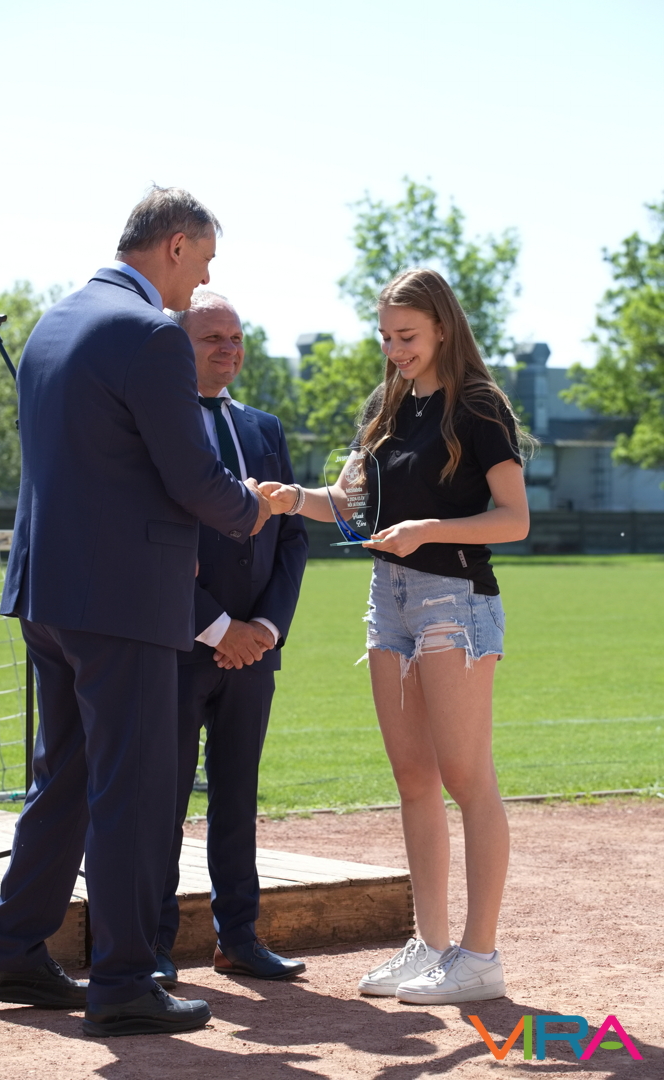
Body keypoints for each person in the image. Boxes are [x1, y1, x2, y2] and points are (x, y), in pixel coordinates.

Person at [0, 187, 274, 1038]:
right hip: (125, 601)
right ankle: (125, 981)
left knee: (64, 780)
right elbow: (193, 477)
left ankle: (13, 952)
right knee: (132, 794)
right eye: (203, 262)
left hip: (49, 593)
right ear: (174, 245)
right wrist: (261, 508)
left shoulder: (54, 321)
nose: (200, 281)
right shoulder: (150, 334)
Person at [260, 268, 531, 1006]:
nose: (394, 349)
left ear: (442, 326)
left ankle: (480, 957)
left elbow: (513, 519)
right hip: (389, 601)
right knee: (413, 778)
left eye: (406, 335)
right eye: (385, 337)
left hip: (454, 600)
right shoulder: (384, 408)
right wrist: (291, 499)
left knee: (467, 779)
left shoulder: (479, 407)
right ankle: (431, 946)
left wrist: (426, 530)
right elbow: (347, 505)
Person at [152, 293, 308, 986]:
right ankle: (153, 947)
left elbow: (292, 537)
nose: (229, 348)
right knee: (163, 800)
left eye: (237, 337)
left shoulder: (264, 428)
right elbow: (154, 543)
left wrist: (265, 630)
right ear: (177, 347)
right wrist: (218, 628)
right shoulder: (157, 425)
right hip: (177, 644)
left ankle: (238, 938)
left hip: (254, 654)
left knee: (239, 797)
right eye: (211, 337)